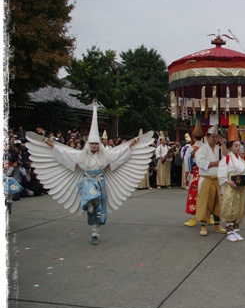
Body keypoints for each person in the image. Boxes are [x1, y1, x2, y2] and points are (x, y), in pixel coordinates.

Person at [25, 100, 154, 245]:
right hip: (87, 181)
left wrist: (134, 142)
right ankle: (89, 202)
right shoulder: (80, 156)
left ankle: (95, 232)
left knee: (99, 209)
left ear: (99, 145)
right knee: (91, 197)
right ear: (88, 144)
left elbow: (122, 153)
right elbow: (63, 153)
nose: (93, 145)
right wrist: (49, 144)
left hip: (99, 182)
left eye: (96, 143)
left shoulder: (106, 156)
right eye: (91, 143)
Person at [194, 124, 228, 236]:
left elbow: (226, 157)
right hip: (207, 180)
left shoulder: (218, 149)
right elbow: (202, 164)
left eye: (216, 137)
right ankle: (203, 226)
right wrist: (217, 163)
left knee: (218, 202)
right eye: (212, 137)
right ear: (207, 137)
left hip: (217, 180)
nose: (214, 139)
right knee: (205, 203)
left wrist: (222, 143)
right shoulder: (202, 150)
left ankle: (217, 225)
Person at [218, 124, 245, 242]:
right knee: (229, 207)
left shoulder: (241, 160)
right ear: (230, 147)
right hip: (230, 187)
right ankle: (229, 231)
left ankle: (236, 230)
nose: (238, 147)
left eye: (239, 145)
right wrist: (229, 182)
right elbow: (221, 175)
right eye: (236, 145)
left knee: (240, 207)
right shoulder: (226, 159)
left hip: (240, 187)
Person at [184, 120, 203, 227]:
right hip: (206, 174)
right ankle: (208, 217)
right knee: (206, 195)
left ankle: (193, 219)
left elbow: (187, 165)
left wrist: (186, 177)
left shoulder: (191, 149)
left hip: (195, 174)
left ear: (193, 137)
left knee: (193, 195)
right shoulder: (207, 148)